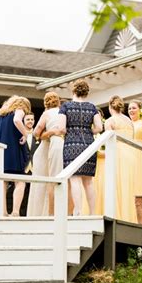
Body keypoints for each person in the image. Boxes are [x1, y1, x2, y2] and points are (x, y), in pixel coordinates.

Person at [57, 79, 103, 216]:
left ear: (73, 91)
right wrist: (88, 132)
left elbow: (61, 128)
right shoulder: (93, 107)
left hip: (72, 144)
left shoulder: (65, 107)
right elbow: (99, 127)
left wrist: (71, 131)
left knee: (75, 178)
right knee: (88, 181)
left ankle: (77, 211)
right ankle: (93, 213)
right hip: (89, 145)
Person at [0, 95, 31, 217]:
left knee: (3, 182)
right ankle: (15, 212)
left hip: (1, 152)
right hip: (14, 150)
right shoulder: (19, 110)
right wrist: (25, 134)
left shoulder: (0, 115)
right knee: (20, 181)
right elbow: (16, 120)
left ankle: (3, 212)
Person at [27, 92, 63, 216]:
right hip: (54, 148)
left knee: (42, 183)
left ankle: (41, 213)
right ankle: (52, 212)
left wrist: (47, 133)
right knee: (53, 180)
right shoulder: (63, 112)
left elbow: (36, 133)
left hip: (47, 149)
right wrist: (51, 133)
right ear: (58, 101)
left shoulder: (46, 114)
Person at [104, 96, 136, 221]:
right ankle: (129, 215)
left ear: (110, 106)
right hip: (131, 154)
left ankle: (117, 215)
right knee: (127, 185)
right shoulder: (129, 121)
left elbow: (108, 142)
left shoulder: (110, 121)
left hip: (117, 153)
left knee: (115, 184)